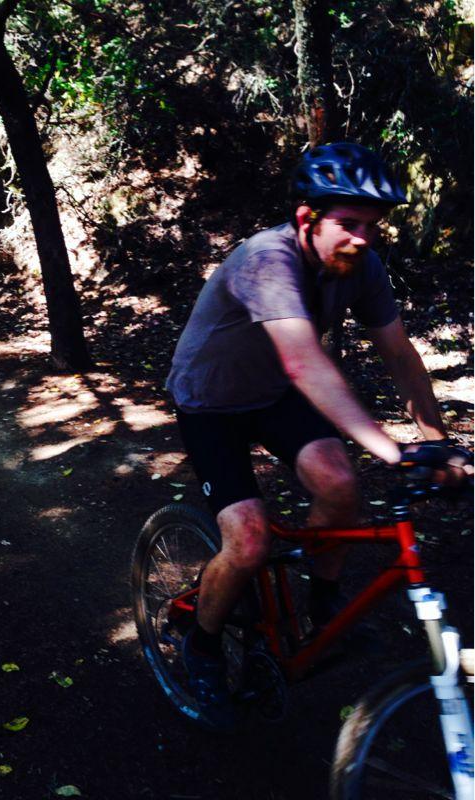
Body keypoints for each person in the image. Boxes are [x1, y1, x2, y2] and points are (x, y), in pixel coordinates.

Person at [165, 142, 461, 731]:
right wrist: (392, 450)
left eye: (372, 226)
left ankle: (322, 602)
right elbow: (303, 360)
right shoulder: (266, 259)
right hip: (210, 401)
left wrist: (437, 441)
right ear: (308, 218)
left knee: (340, 485)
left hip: (273, 394)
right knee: (249, 540)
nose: (363, 238)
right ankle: (201, 642)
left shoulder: (361, 265)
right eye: (349, 223)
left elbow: (400, 354)